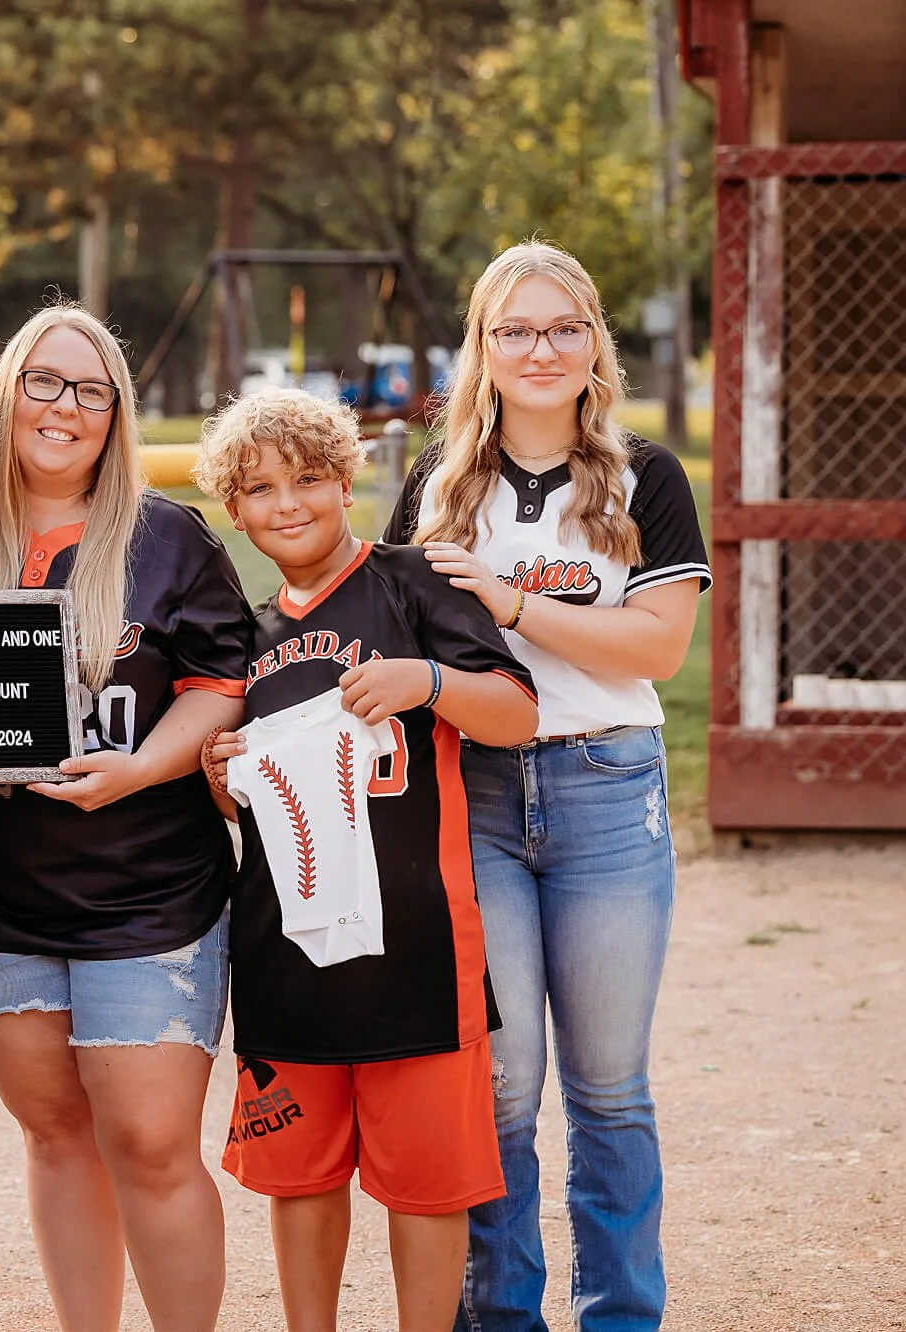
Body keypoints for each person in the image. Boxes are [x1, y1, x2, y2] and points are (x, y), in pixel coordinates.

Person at [385, 241, 710, 1332]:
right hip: (469, 797)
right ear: (480, 346)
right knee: (500, 1087)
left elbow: (655, 649)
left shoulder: (640, 476)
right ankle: (501, 1318)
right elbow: (375, 631)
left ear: (592, 345)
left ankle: (619, 1315)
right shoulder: (434, 486)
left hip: (605, 788)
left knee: (609, 1089)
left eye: (562, 328)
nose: (538, 349)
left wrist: (511, 603)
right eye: (512, 330)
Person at [194, 389, 539, 1332]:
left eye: (309, 479)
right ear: (236, 509)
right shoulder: (246, 632)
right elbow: (240, 808)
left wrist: (425, 680)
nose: (288, 502)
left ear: (347, 481)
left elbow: (517, 714)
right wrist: (223, 775)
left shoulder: (413, 583)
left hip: (417, 948)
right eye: (260, 489)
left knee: (427, 1188)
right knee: (299, 1179)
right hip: (287, 954)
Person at [0, 305, 251, 1331]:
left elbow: (218, 683)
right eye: (42, 381)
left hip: (148, 891)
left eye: (90, 390)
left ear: (115, 413)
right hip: (1, 897)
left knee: (152, 1145)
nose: (63, 407)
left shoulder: (163, 537)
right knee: (53, 1135)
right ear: (5, 394)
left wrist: (136, 771)